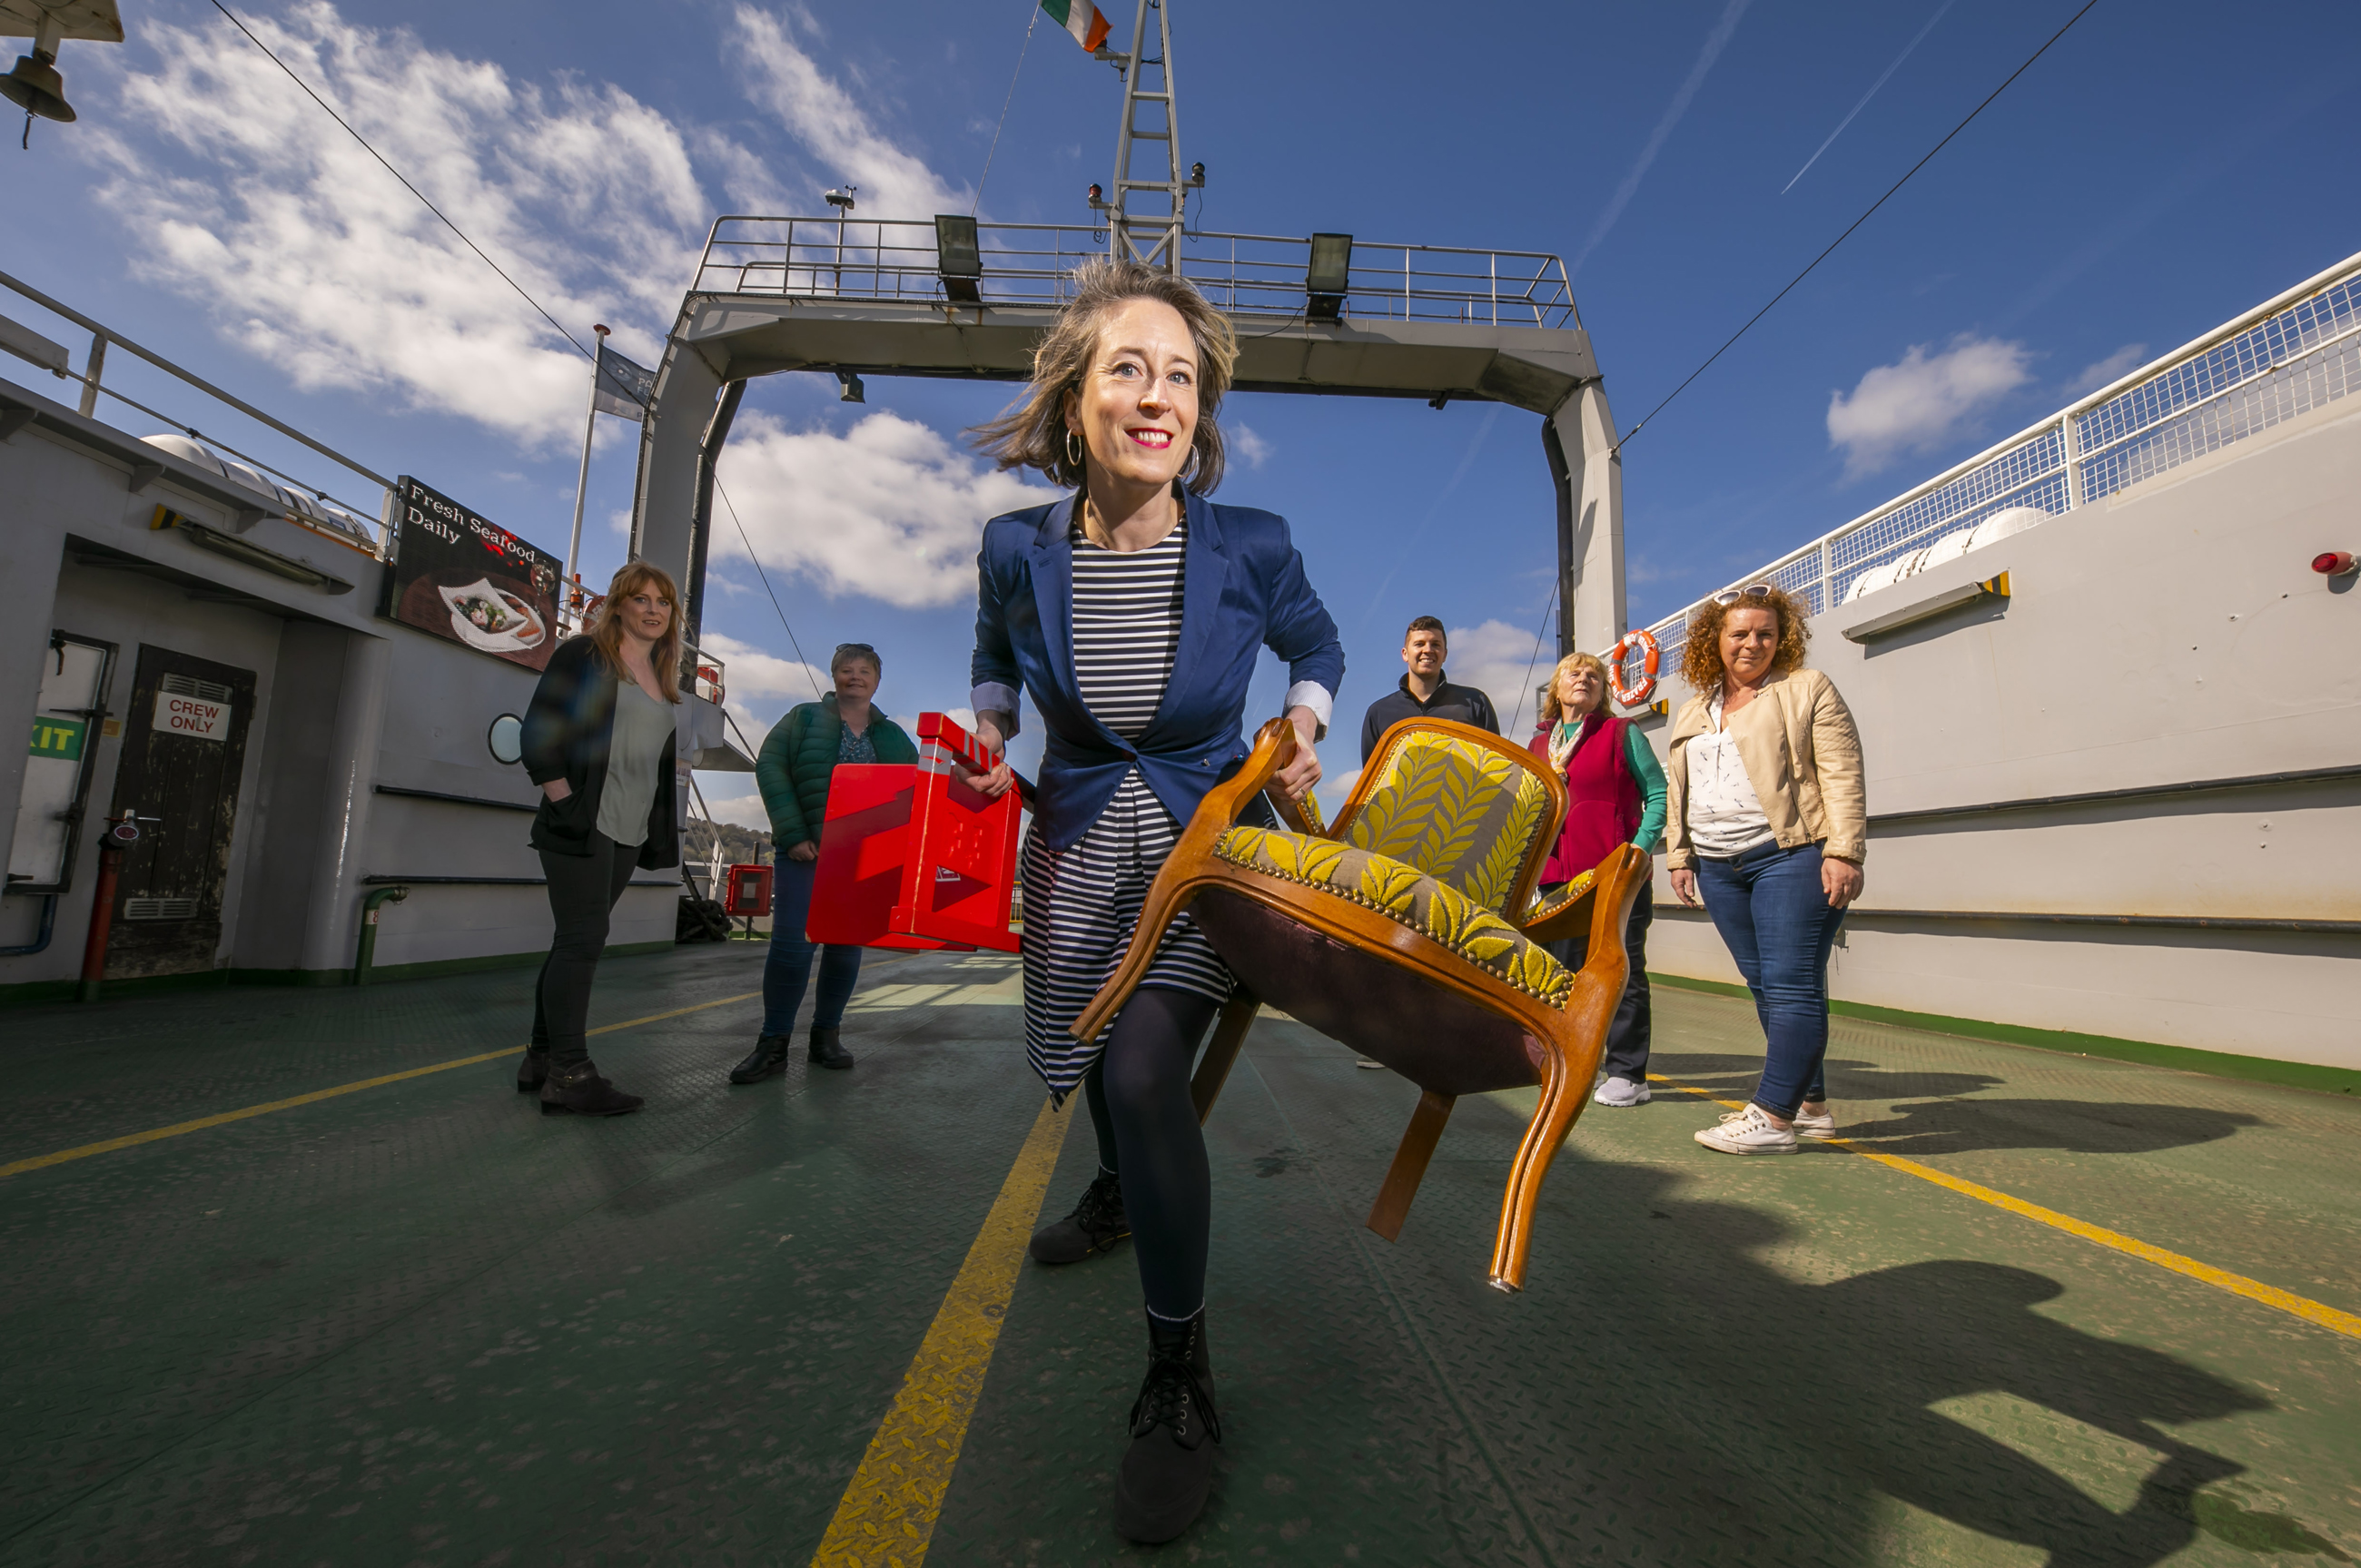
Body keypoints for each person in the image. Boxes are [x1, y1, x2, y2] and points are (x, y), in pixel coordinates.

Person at [963, 257, 1342, 1543]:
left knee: (1139, 1072)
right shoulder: (1016, 550)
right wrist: (991, 722)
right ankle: (1122, 1194)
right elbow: (989, 651)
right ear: (1076, 399)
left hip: (1200, 849)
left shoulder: (1254, 544)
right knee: (1078, 1066)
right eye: (1129, 366)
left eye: (1179, 374)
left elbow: (1320, 644)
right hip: (1074, 844)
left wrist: (1301, 717)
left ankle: (1179, 1372)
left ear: (1201, 410)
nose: (1156, 393)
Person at [1664, 583, 1866, 1156]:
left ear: (1783, 638)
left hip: (1790, 854)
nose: (1753, 643)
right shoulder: (1694, 710)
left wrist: (1844, 851)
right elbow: (1681, 789)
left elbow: (1842, 772)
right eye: (1740, 633)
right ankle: (1811, 1107)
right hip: (1719, 865)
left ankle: (1774, 1119)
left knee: (1791, 983)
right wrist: (1681, 856)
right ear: (1715, 640)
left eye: (1766, 633)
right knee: (1764, 986)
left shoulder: (1805, 689)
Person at [515, 562, 686, 1117]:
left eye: (664, 602)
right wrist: (564, 802)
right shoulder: (585, 656)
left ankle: (542, 1059)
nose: (654, 610)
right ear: (619, 605)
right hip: (584, 823)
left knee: (574, 940)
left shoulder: (663, 676)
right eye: (643, 599)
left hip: (628, 830)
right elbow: (539, 729)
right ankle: (570, 1073)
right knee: (582, 941)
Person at [730, 643, 918, 1083]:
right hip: (807, 852)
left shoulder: (892, 736)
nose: (856, 677)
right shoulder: (802, 718)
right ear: (834, 677)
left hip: (861, 859)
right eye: (847, 670)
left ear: (877, 679)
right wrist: (793, 834)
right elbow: (771, 767)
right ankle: (773, 1043)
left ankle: (826, 1037)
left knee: (844, 946)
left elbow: (919, 785)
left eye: (865, 670)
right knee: (793, 947)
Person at [1527, 651, 1667, 1107]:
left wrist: (1639, 850)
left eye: (1593, 674)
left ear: (1603, 690)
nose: (1584, 678)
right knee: (1561, 972)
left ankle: (1629, 1073)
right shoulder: (1538, 745)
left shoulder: (1621, 733)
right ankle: (1567, 1059)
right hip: (1556, 879)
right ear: (1557, 688)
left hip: (1616, 874)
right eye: (1575, 672)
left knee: (1620, 969)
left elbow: (1658, 792)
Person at [1358, 615, 1499, 764]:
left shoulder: (1475, 703)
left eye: (1436, 644)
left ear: (1445, 654)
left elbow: (1496, 765)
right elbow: (1373, 779)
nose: (1428, 650)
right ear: (1405, 654)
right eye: (1419, 644)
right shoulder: (1379, 712)